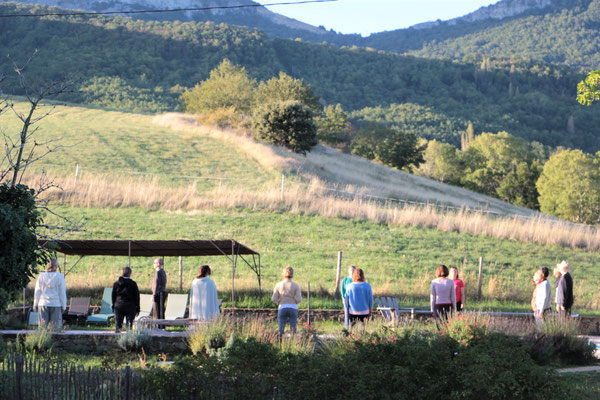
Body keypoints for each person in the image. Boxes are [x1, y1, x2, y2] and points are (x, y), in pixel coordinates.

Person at [33, 258, 67, 329]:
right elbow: (62, 293)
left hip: (43, 303)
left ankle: (42, 340)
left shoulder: (41, 276)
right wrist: (64, 306)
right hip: (56, 304)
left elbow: (37, 291)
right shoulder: (60, 276)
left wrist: (35, 304)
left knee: (42, 328)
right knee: (55, 328)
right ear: (56, 266)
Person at [272, 266, 302, 337]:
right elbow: (299, 299)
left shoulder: (279, 284)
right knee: (293, 328)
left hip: (282, 307)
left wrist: (279, 302)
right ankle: (293, 343)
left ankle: (280, 343)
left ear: (283, 273)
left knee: (281, 329)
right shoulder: (296, 285)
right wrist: (294, 301)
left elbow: (273, 298)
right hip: (293, 307)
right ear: (292, 274)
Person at [112, 266, 140, 332]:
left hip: (118, 306)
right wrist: (137, 308)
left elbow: (113, 296)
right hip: (130, 306)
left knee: (118, 326)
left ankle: (118, 340)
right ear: (130, 273)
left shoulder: (116, 283)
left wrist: (113, 305)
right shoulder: (133, 284)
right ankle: (128, 340)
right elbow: (137, 297)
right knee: (129, 327)